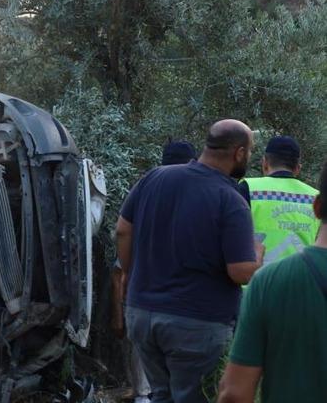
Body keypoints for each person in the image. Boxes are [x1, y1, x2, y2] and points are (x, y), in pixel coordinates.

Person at [116, 120, 263, 403]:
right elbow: (240, 273)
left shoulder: (154, 177)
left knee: (161, 395)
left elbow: (122, 229)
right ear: (239, 153)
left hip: (142, 314)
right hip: (196, 322)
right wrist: (257, 255)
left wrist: (128, 273)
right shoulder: (230, 198)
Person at [218, 160, 327, 403]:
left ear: (318, 207)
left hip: (271, 288)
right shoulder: (306, 192)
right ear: (298, 167)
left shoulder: (249, 188)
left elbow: (235, 392)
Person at [111, 139, 197, 403]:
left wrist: (119, 313)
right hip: (189, 311)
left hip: (145, 305)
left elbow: (121, 240)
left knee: (151, 388)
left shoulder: (145, 194)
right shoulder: (203, 198)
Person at [238, 136, 319, 264]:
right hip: (303, 280)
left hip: (258, 281)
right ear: (298, 168)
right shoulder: (316, 198)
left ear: (264, 163)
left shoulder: (248, 188)